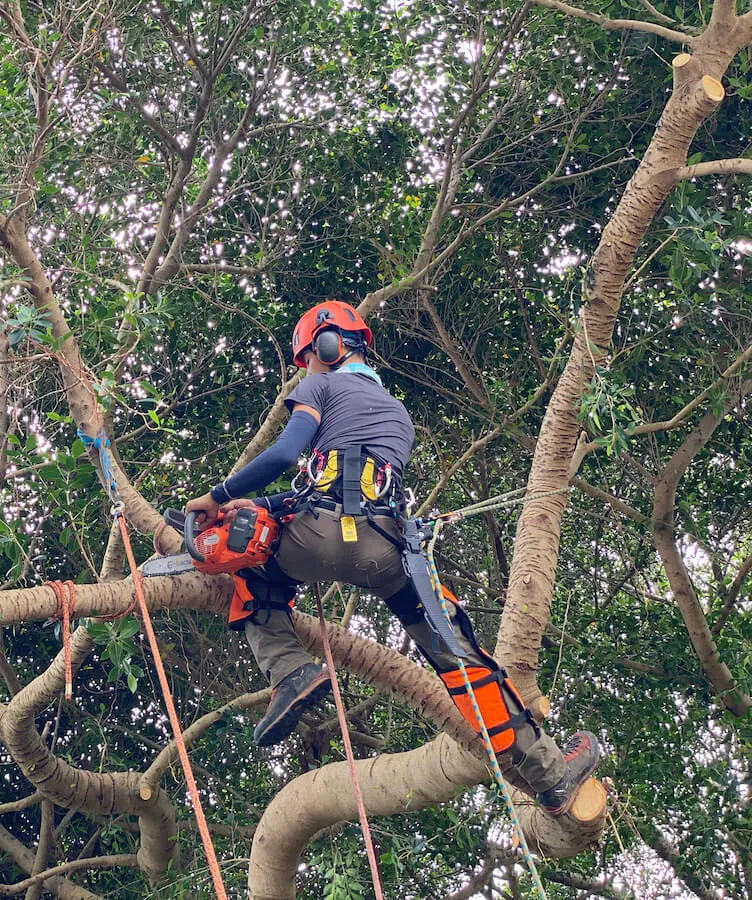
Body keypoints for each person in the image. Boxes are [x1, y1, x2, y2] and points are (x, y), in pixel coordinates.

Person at [184, 300, 600, 815]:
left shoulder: (319, 385)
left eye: (308, 359)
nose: (306, 371)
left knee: (249, 569)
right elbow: (340, 478)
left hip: (315, 539)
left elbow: (285, 456)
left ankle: (289, 670)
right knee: (463, 659)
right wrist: (263, 503)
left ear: (328, 345)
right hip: (387, 549)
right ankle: (551, 776)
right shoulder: (396, 413)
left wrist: (220, 496)